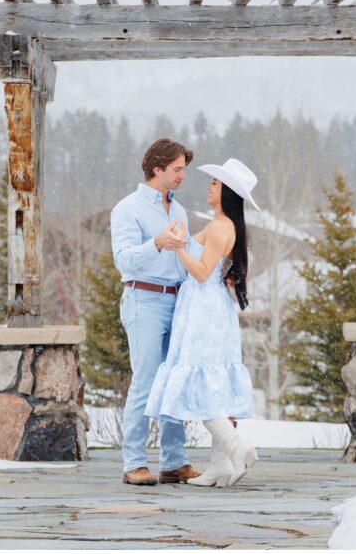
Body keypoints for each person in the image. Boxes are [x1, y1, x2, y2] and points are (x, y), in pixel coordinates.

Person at [145, 158, 259, 488]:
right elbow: (197, 249)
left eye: (215, 183)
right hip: (202, 307)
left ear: (227, 193)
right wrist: (182, 239)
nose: (209, 186)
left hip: (204, 309)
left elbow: (201, 271)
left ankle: (238, 448)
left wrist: (180, 250)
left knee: (201, 381)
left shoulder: (223, 227)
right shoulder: (219, 223)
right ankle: (220, 465)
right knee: (211, 382)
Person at [110, 138, 201, 486]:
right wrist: (157, 243)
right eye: (177, 169)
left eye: (183, 170)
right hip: (143, 300)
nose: (182, 176)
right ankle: (134, 463)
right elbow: (124, 259)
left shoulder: (178, 212)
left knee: (174, 381)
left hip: (177, 300)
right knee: (146, 382)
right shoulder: (127, 209)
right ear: (156, 168)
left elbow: (185, 256)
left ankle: (174, 462)